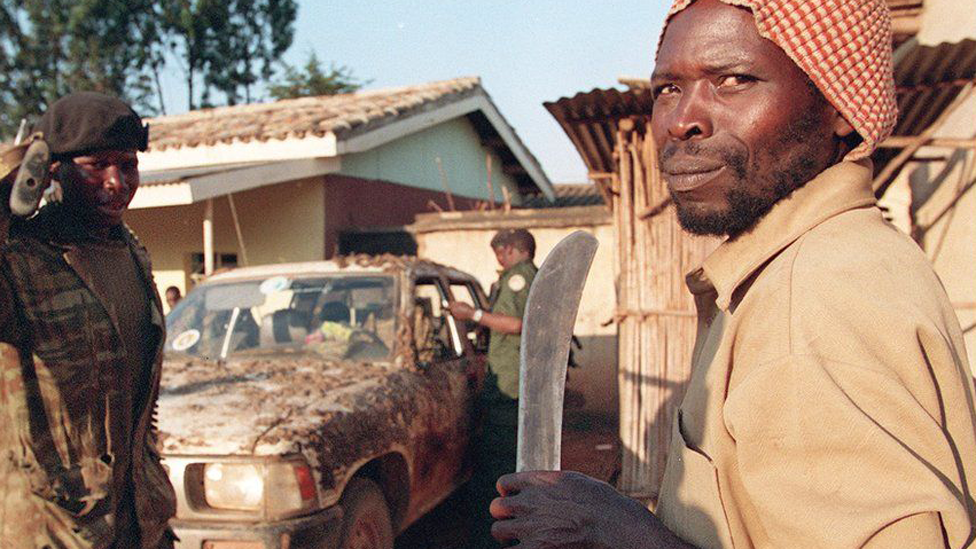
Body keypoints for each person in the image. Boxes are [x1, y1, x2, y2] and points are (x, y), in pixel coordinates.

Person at [489, 1, 976, 548]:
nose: (680, 120)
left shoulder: (815, 296)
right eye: (668, 89)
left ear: (840, 107)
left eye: (735, 80)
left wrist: (621, 533)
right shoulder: (816, 264)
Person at [0, 92, 177, 547]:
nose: (117, 182)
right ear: (51, 170)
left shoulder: (133, 252)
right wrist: (11, 178)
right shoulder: (19, 260)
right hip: (54, 529)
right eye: (97, 165)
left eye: (128, 164)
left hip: (139, 519)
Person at [448, 228, 538, 548]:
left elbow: (515, 324)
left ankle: (494, 536)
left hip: (510, 386)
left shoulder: (518, 278)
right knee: (501, 463)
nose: (499, 258)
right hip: (508, 381)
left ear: (513, 250)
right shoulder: (518, 277)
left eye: (501, 251)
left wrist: (472, 313)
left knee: (497, 468)